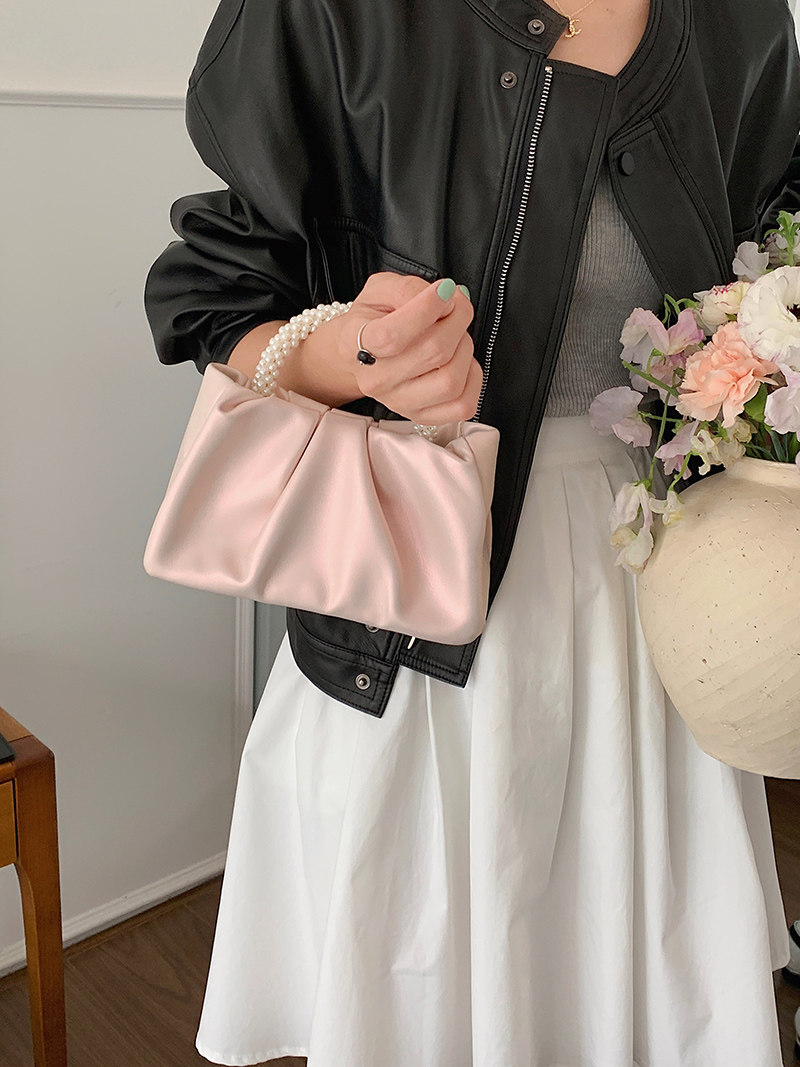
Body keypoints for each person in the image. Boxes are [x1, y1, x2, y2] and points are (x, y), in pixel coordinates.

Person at [144, 0, 800, 1063]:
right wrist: (354, 353)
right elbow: (214, 296)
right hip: (415, 601)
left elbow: (769, 253)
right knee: (429, 993)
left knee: (640, 991)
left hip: (671, 593)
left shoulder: (742, 20)